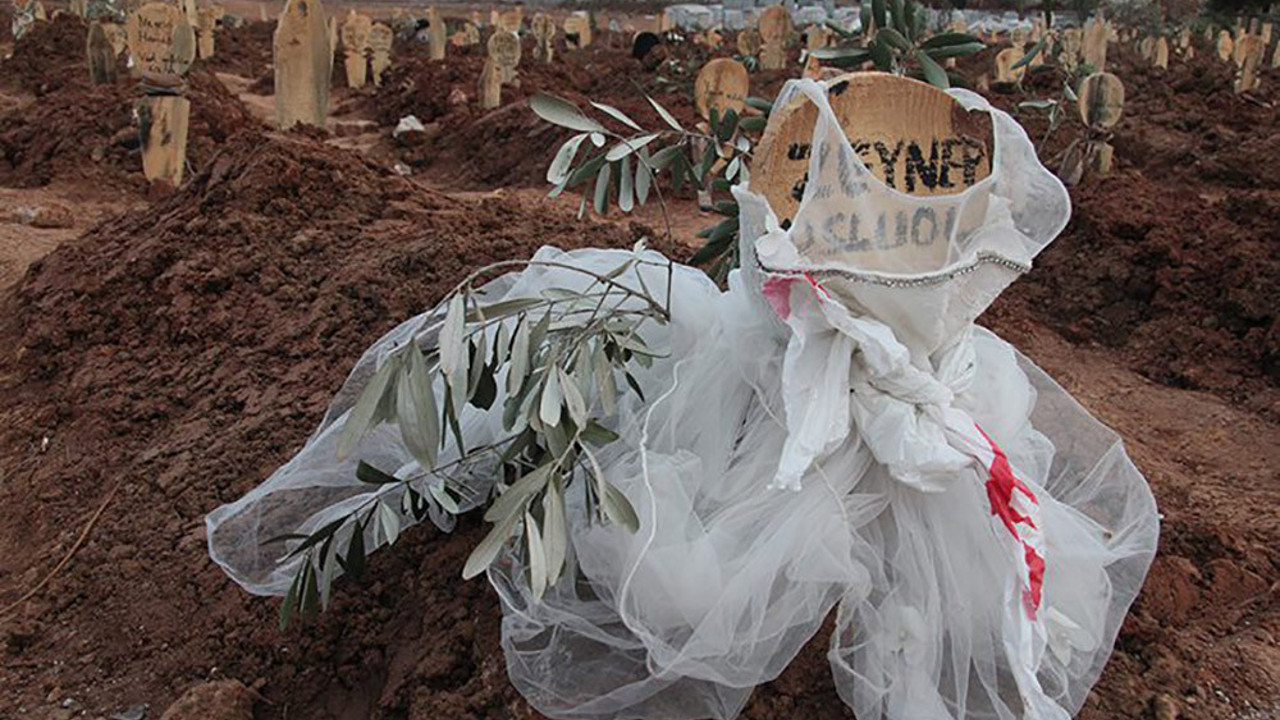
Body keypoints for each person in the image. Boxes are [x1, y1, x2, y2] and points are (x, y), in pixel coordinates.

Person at [208, 77, 1159, 720]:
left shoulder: (946, 374)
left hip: (889, 369)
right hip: (795, 367)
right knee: (683, 560)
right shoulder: (772, 344)